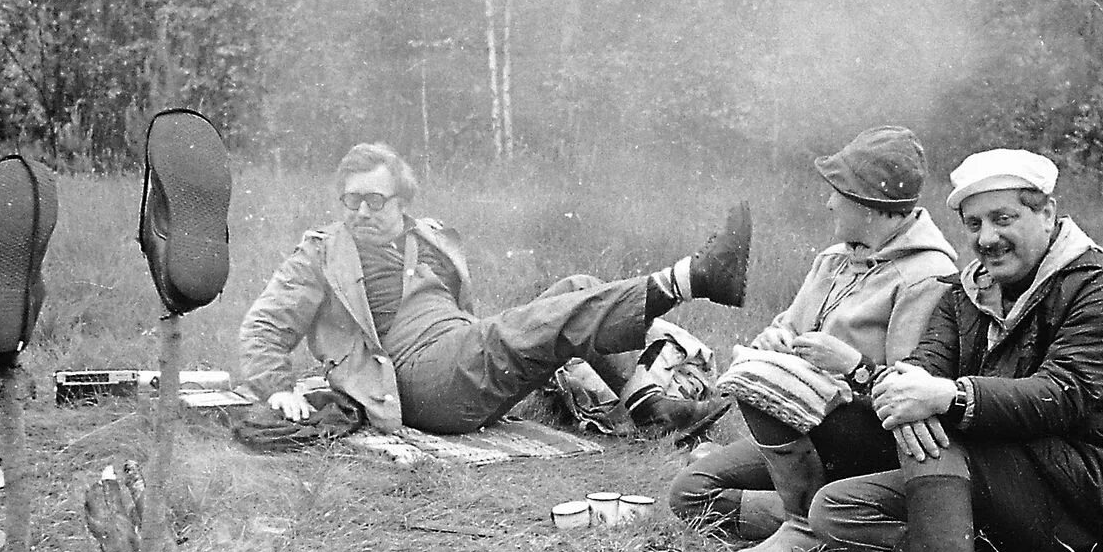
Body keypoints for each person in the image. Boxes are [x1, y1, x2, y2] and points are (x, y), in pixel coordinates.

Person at [811, 148, 1103, 552]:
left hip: (1084, 486)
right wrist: (910, 389)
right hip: (998, 472)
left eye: (1003, 218)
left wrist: (944, 396)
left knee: (940, 426)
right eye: (973, 224)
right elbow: (923, 365)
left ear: (1047, 213)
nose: (987, 238)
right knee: (836, 510)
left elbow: (1060, 396)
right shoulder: (963, 294)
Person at [236, 143, 749, 435]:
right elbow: (264, 325)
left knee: (577, 287)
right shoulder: (321, 253)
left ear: (402, 200)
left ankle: (650, 411)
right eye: (351, 202)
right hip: (411, 380)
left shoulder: (430, 238)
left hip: (461, 353)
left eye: (375, 200)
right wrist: (278, 389)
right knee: (511, 331)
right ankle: (693, 278)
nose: (362, 213)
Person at [667, 126, 958, 552]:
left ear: (868, 203)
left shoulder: (926, 276)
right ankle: (819, 519)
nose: (828, 203)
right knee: (690, 493)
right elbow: (788, 326)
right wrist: (774, 341)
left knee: (758, 381)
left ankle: (804, 523)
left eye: (837, 193)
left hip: (866, 439)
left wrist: (852, 364)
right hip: (804, 432)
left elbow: (911, 392)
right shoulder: (834, 259)